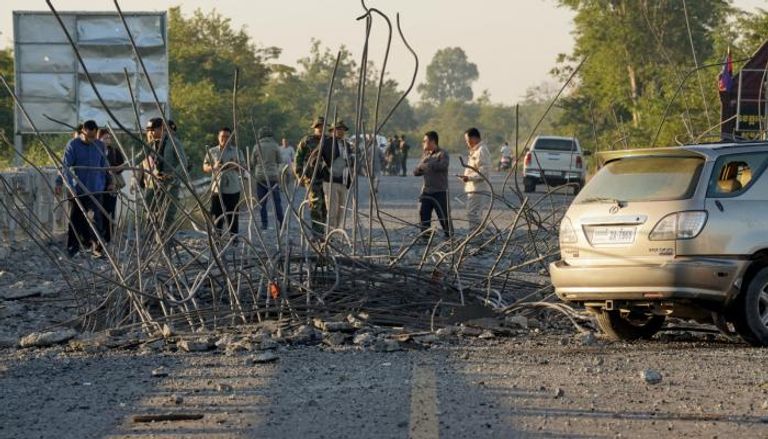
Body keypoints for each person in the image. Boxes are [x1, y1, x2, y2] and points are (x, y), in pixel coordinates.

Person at [54, 120, 109, 257]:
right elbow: (65, 166)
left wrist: (109, 181)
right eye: (88, 136)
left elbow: (104, 166)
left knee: (97, 219)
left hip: (96, 188)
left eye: (93, 136)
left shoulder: (100, 145)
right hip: (78, 189)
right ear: (83, 131)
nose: (90, 139)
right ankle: (73, 248)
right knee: (75, 219)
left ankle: (97, 249)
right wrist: (60, 182)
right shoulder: (73, 145)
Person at [140, 117, 188, 234]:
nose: (150, 132)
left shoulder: (174, 143)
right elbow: (139, 158)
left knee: (168, 214)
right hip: (154, 183)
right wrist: (120, 166)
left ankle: (166, 241)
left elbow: (183, 163)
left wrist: (171, 174)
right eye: (148, 130)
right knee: (149, 209)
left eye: (152, 129)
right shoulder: (151, 144)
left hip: (170, 184)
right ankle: (151, 238)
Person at [203, 127, 244, 236]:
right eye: (222, 136)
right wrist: (214, 166)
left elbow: (244, 167)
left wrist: (235, 165)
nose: (224, 139)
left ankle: (234, 239)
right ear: (218, 137)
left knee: (233, 215)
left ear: (231, 138)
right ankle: (217, 239)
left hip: (233, 188)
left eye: (227, 137)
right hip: (217, 188)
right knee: (217, 215)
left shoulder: (237, 151)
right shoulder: (212, 151)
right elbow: (205, 167)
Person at [413, 130, 452, 239]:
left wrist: (429, 163)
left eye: (424, 141)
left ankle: (449, 237)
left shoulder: (443, 154)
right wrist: (422, 166)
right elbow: (416, 172)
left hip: (440, 191)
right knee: (423, 214)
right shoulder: (425, 155)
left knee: (443, 217)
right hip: (426, 191)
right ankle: (425, 238)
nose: (423, 143)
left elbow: (443, 166)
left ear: (432, 142)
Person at [294, 117, 328, 237]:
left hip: (327, 178)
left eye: (323, 126)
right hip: (312, 178)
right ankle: (317, 234)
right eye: (318, 126)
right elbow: (298, 159)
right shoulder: (307, 141)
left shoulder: (329, 140)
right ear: (314, 128)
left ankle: (324, 232)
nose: (320, 129)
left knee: (325, 208)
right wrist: (299, 176)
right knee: (315, 205)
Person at [320, 120, 353, 230]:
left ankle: (337, 231)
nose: (341, 131)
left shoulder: (347, 145)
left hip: (343, 180)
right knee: (332, 209)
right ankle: (329, 233)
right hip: (330, 181)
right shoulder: (326, 143)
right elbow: (316, 159)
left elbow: (349, 162)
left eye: (343, 129)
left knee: (341, 210)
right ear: (332, 131)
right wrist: (325, 169)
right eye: (338, 129)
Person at [459, 127, 492, 231]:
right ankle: (484, 237)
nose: (467, 143)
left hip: (478, 188)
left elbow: (484, 172)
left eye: (467, 140)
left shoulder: (482, 150)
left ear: (473, 138)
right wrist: (466, 177)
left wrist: (469, 177)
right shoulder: (475, 150)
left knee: (473, 214)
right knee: (475, 214)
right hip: (473, 188)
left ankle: (476, 239)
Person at [252, 127, 285, 230]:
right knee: (277, 202)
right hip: (273, 177)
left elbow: (252, 162)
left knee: (262, 203)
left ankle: (264, 224)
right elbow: (280, 161)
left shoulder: (256, 147)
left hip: (260, 178)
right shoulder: (275, 146)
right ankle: (282, 223)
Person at [97, 128, 126, 244]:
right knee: (98, 211)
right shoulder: (96, 151)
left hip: (112, 186)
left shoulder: (114, 151)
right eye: (105, 137)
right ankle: (98, 238)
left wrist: (114, 170)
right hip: (98, 186)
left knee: (110, 211)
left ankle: (108, 238)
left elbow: (121, 167)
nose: (107, 140)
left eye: (109, 137)